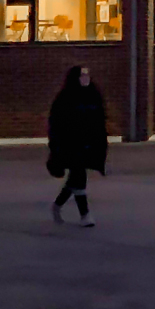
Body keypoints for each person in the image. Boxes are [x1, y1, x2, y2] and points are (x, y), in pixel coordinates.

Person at [46, 65, 107, 227]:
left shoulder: (93, 95)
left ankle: (57, 205)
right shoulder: (65, 98)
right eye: (82, 76)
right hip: (70, 144)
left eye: (87, 76)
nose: (85, 79)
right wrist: (56, 145)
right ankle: (85, 214)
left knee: (75, 178)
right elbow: (56, 123)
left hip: (89, 143)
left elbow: (100, 120)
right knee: (79, 175)